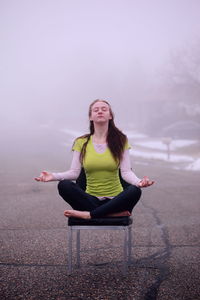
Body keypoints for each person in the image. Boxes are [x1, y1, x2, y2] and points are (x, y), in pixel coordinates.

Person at [35, 99, 154, 219]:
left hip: (116, 200)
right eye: (96, 110)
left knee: (135, 191)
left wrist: (139, 182)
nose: (100, 111)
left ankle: (90, 215)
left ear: (110, 115)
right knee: (64, 185)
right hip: (90, 201)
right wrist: (53, 176)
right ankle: (110, 214)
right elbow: (75, 173)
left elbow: (126, 172)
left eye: (104, 109)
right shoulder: (81, 142)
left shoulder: (121, 140)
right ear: (91, 117)